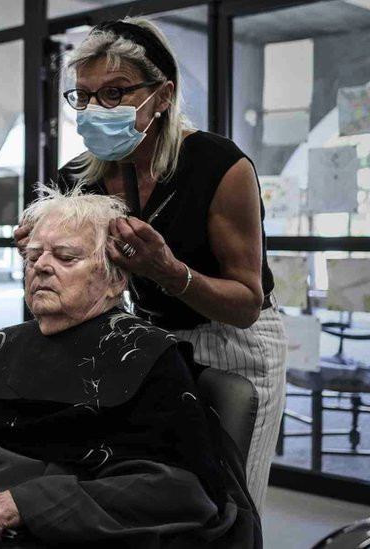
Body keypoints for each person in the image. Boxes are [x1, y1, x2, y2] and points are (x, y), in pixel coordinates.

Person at [0, 187, 258, 549]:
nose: (40, 266)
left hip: (44, 527)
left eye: (65, 256)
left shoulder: (147, 358)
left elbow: (178, 488)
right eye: (34, 255)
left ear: (115, 280)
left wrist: (25, 504)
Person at [15, 18, 286, 509]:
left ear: (162, 95)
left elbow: (246, 303)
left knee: (228, 498)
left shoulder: (217, 166)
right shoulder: (78, 176)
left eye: (116, 93)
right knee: (157, 488)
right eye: (85, 96)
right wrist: (42, 253)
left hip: (235, 341)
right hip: (152, 338)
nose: (98, 109)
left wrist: (168, 271)